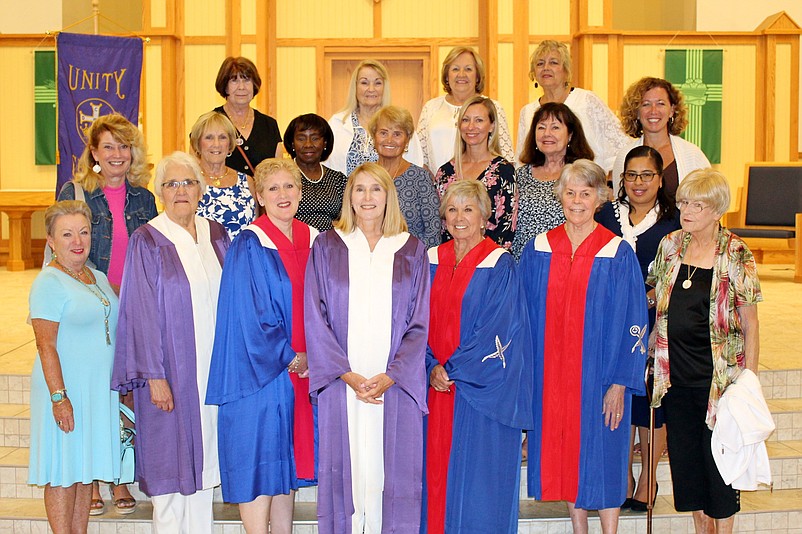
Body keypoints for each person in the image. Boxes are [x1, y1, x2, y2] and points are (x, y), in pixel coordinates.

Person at [520, 160, 648, 534]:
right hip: (553, 377)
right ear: (560, 196)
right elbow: (524, 319)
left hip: (600, 376)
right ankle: (579, 530)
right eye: (571, 192)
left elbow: (633, 321)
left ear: (599, 199)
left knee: (603, 455)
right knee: (566, 458)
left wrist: (621, 383)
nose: (577, 200)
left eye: (586, 193)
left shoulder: (617, 253)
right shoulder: (539, 249)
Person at [305, 162, 430, 533]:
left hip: (392, 383)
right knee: (348, 469)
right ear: (349, 198)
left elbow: (419, 323)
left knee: (389, 471)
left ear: (389, 196)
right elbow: (316, 316)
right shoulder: (327, 246)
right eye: (359, 189)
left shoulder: (411, 249)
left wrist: (392, 376)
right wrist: (346, 374)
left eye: (376, 189)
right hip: (344, 381)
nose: (367, 197)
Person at [112, 152, 229, 534]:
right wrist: (154, 376)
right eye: (172, 184)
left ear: (201, 187)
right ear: (160, 192)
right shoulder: (148, 239)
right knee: (169, 474)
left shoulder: (216, 235)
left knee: (201, 475)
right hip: (171, 373)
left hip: (212, 371)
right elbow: (138, 313)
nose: (181, 190)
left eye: (189, 182)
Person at [207, 159, 318, 534]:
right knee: (260, 459)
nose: (283, 195)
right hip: (262, 372)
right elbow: (248, 315)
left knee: (285, 464)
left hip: (305, 373)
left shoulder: (314, 240)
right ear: (259, 196)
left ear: (301, 193)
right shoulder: (250, 243)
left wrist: (317, 354)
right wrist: (291, 356)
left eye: (290, 187)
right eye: (273, 189)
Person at [648, 169, 762, 534]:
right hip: (676, 379)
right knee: (689, 470)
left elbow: (750, 323)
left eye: (697, 204)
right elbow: (657, 298)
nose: (687, 210)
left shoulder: (736, 252)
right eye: (683, 202)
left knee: (719, 471)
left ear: (716, 210)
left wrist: (750, 382)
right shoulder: (670, 245)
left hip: (721, 384)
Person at [56, 112, 156, 514]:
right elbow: (61, 247)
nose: (117, 154)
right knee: (93, 390)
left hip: (130, 308)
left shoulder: (145, 198)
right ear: (94, 153)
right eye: (109, 146)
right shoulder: (76, 192)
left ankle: (118, 477)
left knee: (124, 392)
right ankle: (92, 481)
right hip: (90, 306)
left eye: (124, 145)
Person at [423, 179, 533, 534]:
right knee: (434, 476)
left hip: (478, 392)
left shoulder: (499, 264)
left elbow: (498, 327)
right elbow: (411, 321)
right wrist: (429, 366)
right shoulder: (429, 260)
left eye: (469, 209)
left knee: (477, 483)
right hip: (433, 390)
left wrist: (451, 370)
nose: (459, 217)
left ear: (486, 217)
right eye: (452, 209)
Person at [595, 146, 681, 512]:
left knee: (650, 401)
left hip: (655, 321)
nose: (639, 182)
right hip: (610, 321)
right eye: (632, 175)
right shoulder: (606, 216)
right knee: (621, 399)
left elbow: (682, 269)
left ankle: (648, 476)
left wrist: (645, 297)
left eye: (647, 175)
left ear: (660, 180)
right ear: (621, 179)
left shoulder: (674, 220)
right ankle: (621, 475)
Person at [28, 200, 121, 533]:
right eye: (67, 234)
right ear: (51, 240)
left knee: (84, 471)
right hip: (64, 391)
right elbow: (45, 344)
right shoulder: (48, 282)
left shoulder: (94, 276)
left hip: (95, 391)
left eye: (83, 232)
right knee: (62, 472)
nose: (77, 241)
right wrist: (59, 397)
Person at [516, 40, 627, 171]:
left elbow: (621, 145)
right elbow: (522, 158)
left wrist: (609, 182)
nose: (546, 67)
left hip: (588, 183)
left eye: (553, 62)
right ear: (534, 73)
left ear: (566, 70)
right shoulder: (528, 112)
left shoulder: (587, 101)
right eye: (540, 63)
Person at [511, 102, 594, 260]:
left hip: (567, 262)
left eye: (555, 127)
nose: (547, 133)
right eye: (541, 127)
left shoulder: (582, 175)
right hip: (523, 263)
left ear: (570, 135)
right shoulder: (520, 176)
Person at [435, 95, 516, 250]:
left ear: (492, 125)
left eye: (479, 120)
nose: (471, 127)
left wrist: (479, 260)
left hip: (489, 262)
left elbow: (506, 228)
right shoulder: (444, 173)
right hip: (451, 260)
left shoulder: (504, 171)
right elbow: (440, 224)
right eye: (466, 120)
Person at [418, 46, 514, 172]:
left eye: (468, 69)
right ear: (447, 76)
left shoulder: (493, 107)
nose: (461, 74)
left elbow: (506, 157)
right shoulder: (430, 108)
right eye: (455, 69)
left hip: (483, 188)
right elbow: (420, 157)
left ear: (478, 76)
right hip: (438, 186)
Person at [612, 77, 710, 197]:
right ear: (636, 112)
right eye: (646, 104)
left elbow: (710, 201)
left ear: (672, 110)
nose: (653, 111)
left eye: (660, 104)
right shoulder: (624, 156)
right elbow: (619, 204)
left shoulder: (692, 155)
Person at [327, 59, 424, 176]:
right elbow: (326, 168)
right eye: (364, 83)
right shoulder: (337, 124)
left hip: (392, 193)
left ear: (385, 87)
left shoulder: (400, 122)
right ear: (355, 86)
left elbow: (415, 165)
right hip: (345, 193)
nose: (371, 89)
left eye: (377, 83)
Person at [369, 105, 441, 248]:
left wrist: (411, 258)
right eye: (383, 133)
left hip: (411, 261)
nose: (389, 140)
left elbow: (433, 232)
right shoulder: (364, 176)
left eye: (397, 134)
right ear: (374, 136)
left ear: (407, 140)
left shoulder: (421, 178)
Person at [192, 111, 258, 239]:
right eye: (209, 137)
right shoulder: (189, 182)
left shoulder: (247, 182)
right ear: (198, 143)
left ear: (230, 144)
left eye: (222, 137)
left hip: (242, 257)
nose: (216, 144)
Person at [213, 56, 282, 175]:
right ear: (224, 85)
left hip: (259, 193)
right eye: (234, 80)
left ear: (254, 85)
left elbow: (278, 171)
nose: (241, 87)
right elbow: (196, 170)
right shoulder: (209, 123)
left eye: (246, 80)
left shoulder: (269, 125)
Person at [282, 113, 347, 231]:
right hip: (292, 244)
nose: (308, 144)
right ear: (292, 143)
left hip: (329, 246)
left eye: (315, 138)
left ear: (325, 143)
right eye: (301, 138)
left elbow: (347, 219)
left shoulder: (338, 179)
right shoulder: (282, 177)